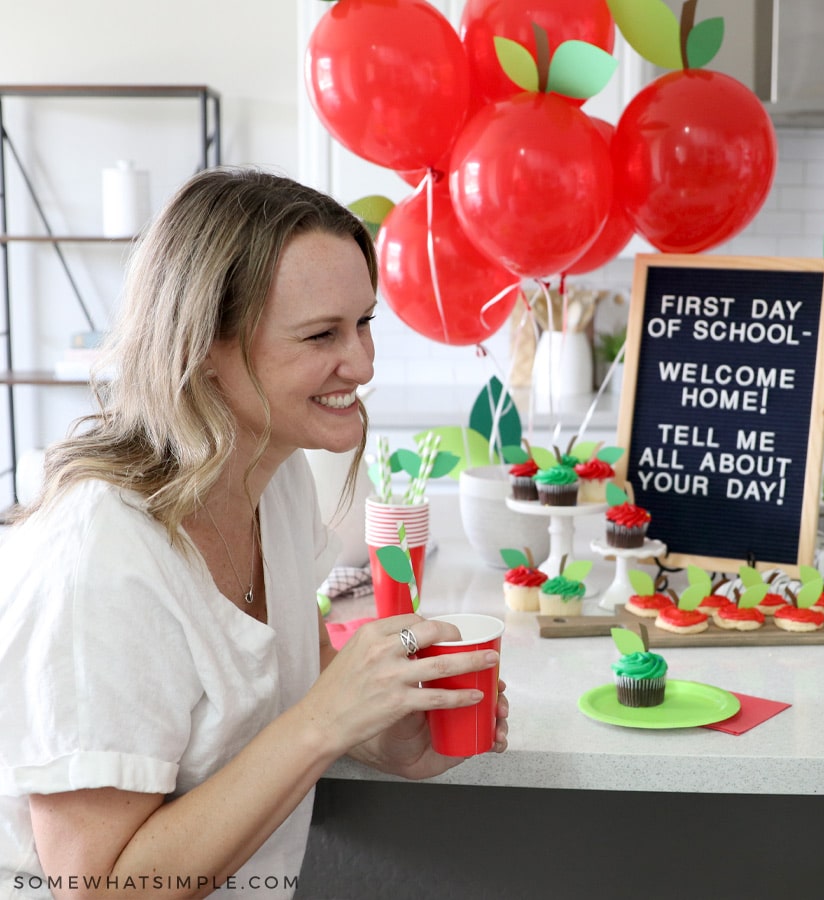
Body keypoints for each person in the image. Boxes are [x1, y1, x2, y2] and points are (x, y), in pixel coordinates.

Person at [0, 167, 508, 898]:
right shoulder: (100, 560)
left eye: (364, 323)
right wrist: (323, 725)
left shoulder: (274, 475)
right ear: (205, 346)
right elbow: (98, 889)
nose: (361, 364)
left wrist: (390, 724)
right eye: (321, 334)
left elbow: (282, 681)